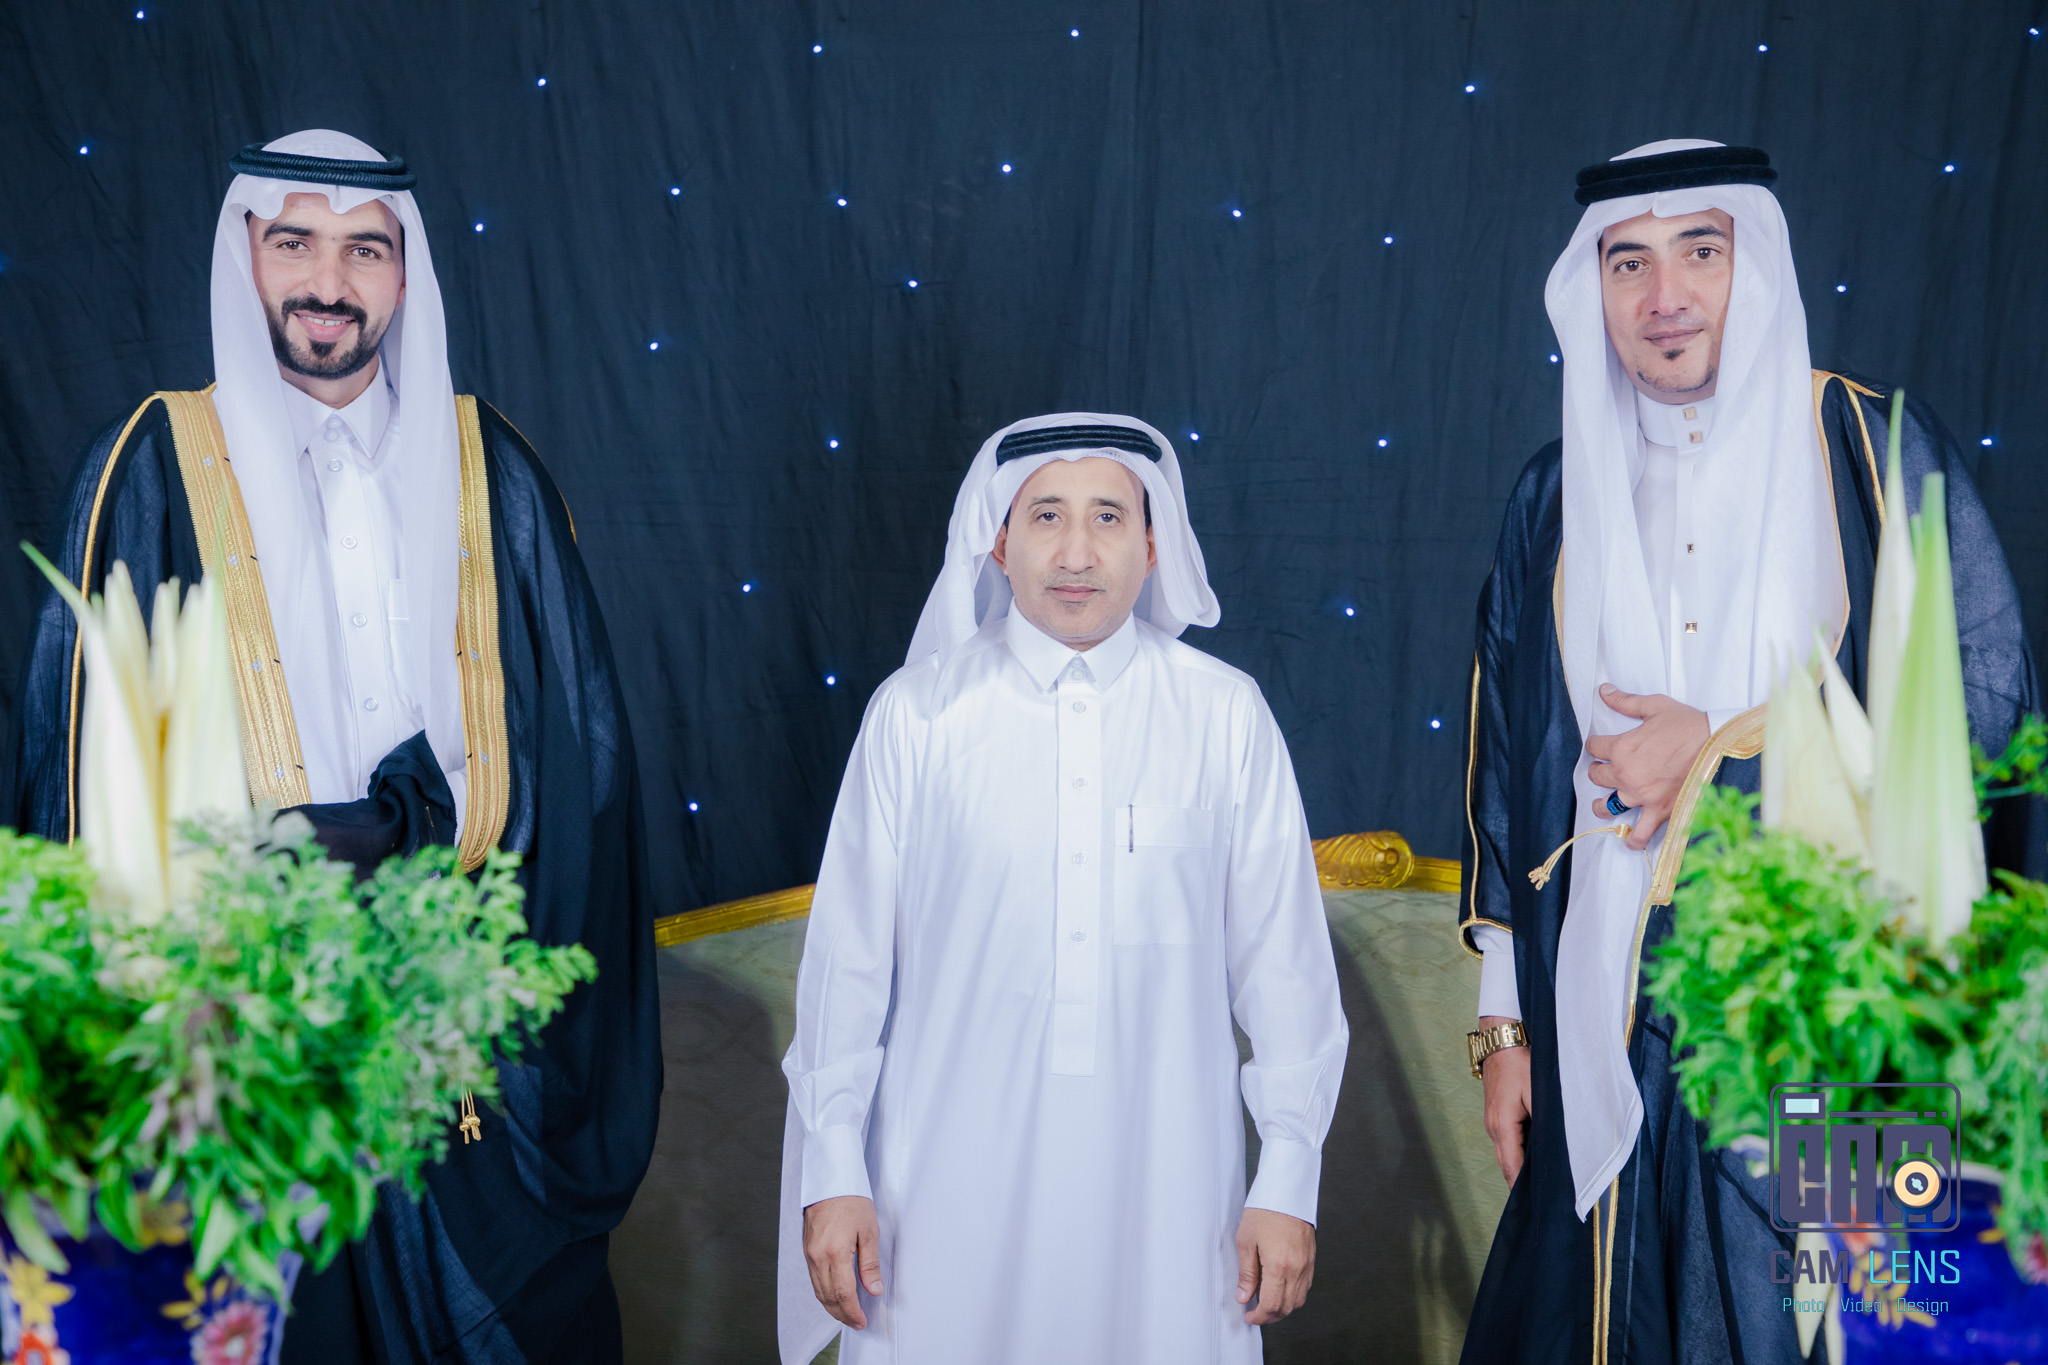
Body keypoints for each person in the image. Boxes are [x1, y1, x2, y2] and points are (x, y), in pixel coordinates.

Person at [8, 130, 661, 1364]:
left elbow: (581, 752)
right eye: (296, 242)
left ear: (405, 276)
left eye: (366, 250)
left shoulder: (492, 468)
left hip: (459, 1013)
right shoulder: (147, 466)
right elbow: (77, 782)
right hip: (248, 1027)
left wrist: (431, 842)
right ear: (245, 255)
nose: (328, 281)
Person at [1457, 139, 2039, 1364]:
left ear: (1753, 266)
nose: (1663, 296)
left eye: (1699, 252)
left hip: (1836, 996)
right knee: (1601, 1317)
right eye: (1627, 263)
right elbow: (1505, 771)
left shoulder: (1866, 445)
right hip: (1606, 1006)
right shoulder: (1553, 494)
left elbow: (1975, 728)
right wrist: (1503, 1034)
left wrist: (1719, 759)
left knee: (1846, 1318)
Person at [775, 414, 1349, 1364]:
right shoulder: (916, 716)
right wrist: (834, 1167)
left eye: (1108, 517)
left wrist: (1288, 1174)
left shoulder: (1224, 715)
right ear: (999, 541)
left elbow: (1285, 972)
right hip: (937, 1202)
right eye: (1046, 515)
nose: (1077, 552)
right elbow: (847, 967)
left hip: (1171, 1201)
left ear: (1154, 545)